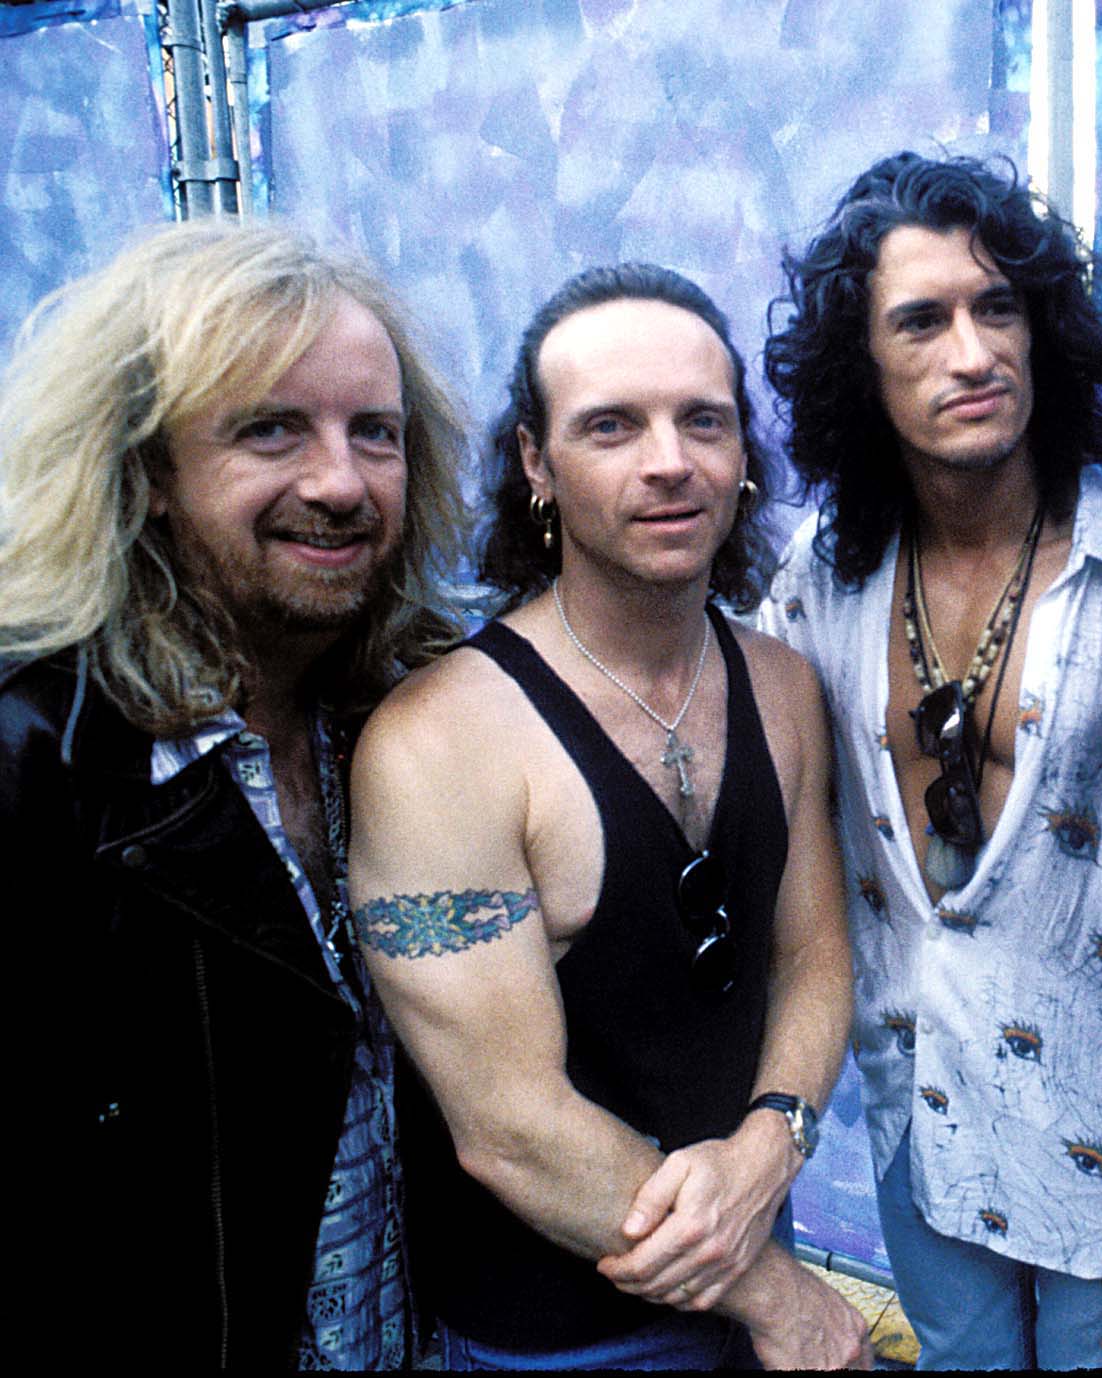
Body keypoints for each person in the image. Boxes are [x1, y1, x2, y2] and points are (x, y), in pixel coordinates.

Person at [347, 264, 867, 1370]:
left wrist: (776, 1140)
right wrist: (779, 1296)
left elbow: (817, 954)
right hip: (556, 1341)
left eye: (703, 421)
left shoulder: (780, 686)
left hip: (742, 1277)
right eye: (612, 427)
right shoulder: (440, 741)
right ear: (536, 462)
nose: (669, 461)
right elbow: (509, 1129)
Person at [0, 221, 470, 1367]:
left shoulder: (415, 714)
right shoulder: (37, 762)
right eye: (270, 430)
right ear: (148, 473)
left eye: (376, 433)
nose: (341, 482)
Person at [760, 152, 1102, 1369]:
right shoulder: (825, 573)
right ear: (864, 360)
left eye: (998, 308)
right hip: (923, 1106)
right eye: (922, 320)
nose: (972, 351)